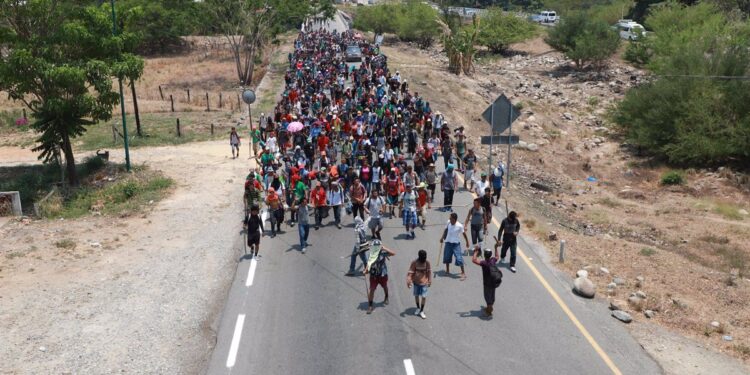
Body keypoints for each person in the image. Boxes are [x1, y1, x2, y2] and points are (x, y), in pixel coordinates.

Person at [365, 240, 396, 314]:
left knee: (385, 286)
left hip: (382, 274)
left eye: (377, 247)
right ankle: (370, 305)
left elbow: (393, 253)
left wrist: (384, 248)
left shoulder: (383, 253)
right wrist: (366, 270)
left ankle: (386, 297)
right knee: (372, 289)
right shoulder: (370, 254)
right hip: (373, 275)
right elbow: (369, 263)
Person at [472, 246, 502, 317]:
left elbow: (474, 260)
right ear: (491, 255)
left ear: (485, 255)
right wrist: (495, 247)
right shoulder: (493, 260)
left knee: (487, 298)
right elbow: (497, 256)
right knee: (491, 296)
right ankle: (489, 306)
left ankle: (489, 311)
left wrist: (476, 252)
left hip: (487, 284)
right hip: (493, 282)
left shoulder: (484, 263)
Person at [439, 212, 470, 280]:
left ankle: (463, 273)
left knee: (459, 258)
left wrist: (467, 242)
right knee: (447, 257)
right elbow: (446, 230)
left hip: (456, 244)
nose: (449, 220)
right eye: (449, 218)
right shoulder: (448, 222)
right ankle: (447, 270)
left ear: (455, 219)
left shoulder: (459, 226)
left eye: (451, 218)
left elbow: (464, 234)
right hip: (448, 243)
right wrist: (442, 237)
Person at [406, 249, 432, 319]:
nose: (424, 259)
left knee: (424, 297)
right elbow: (410, 272)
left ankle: (422, 311)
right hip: (416, 283)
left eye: (425, 257)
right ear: (419, 257)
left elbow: (429, 272)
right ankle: (418, 308)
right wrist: (409, 280)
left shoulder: (427, 263)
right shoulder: (414, 262)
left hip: (424, 283)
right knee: (416, 295)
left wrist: (430, 281)